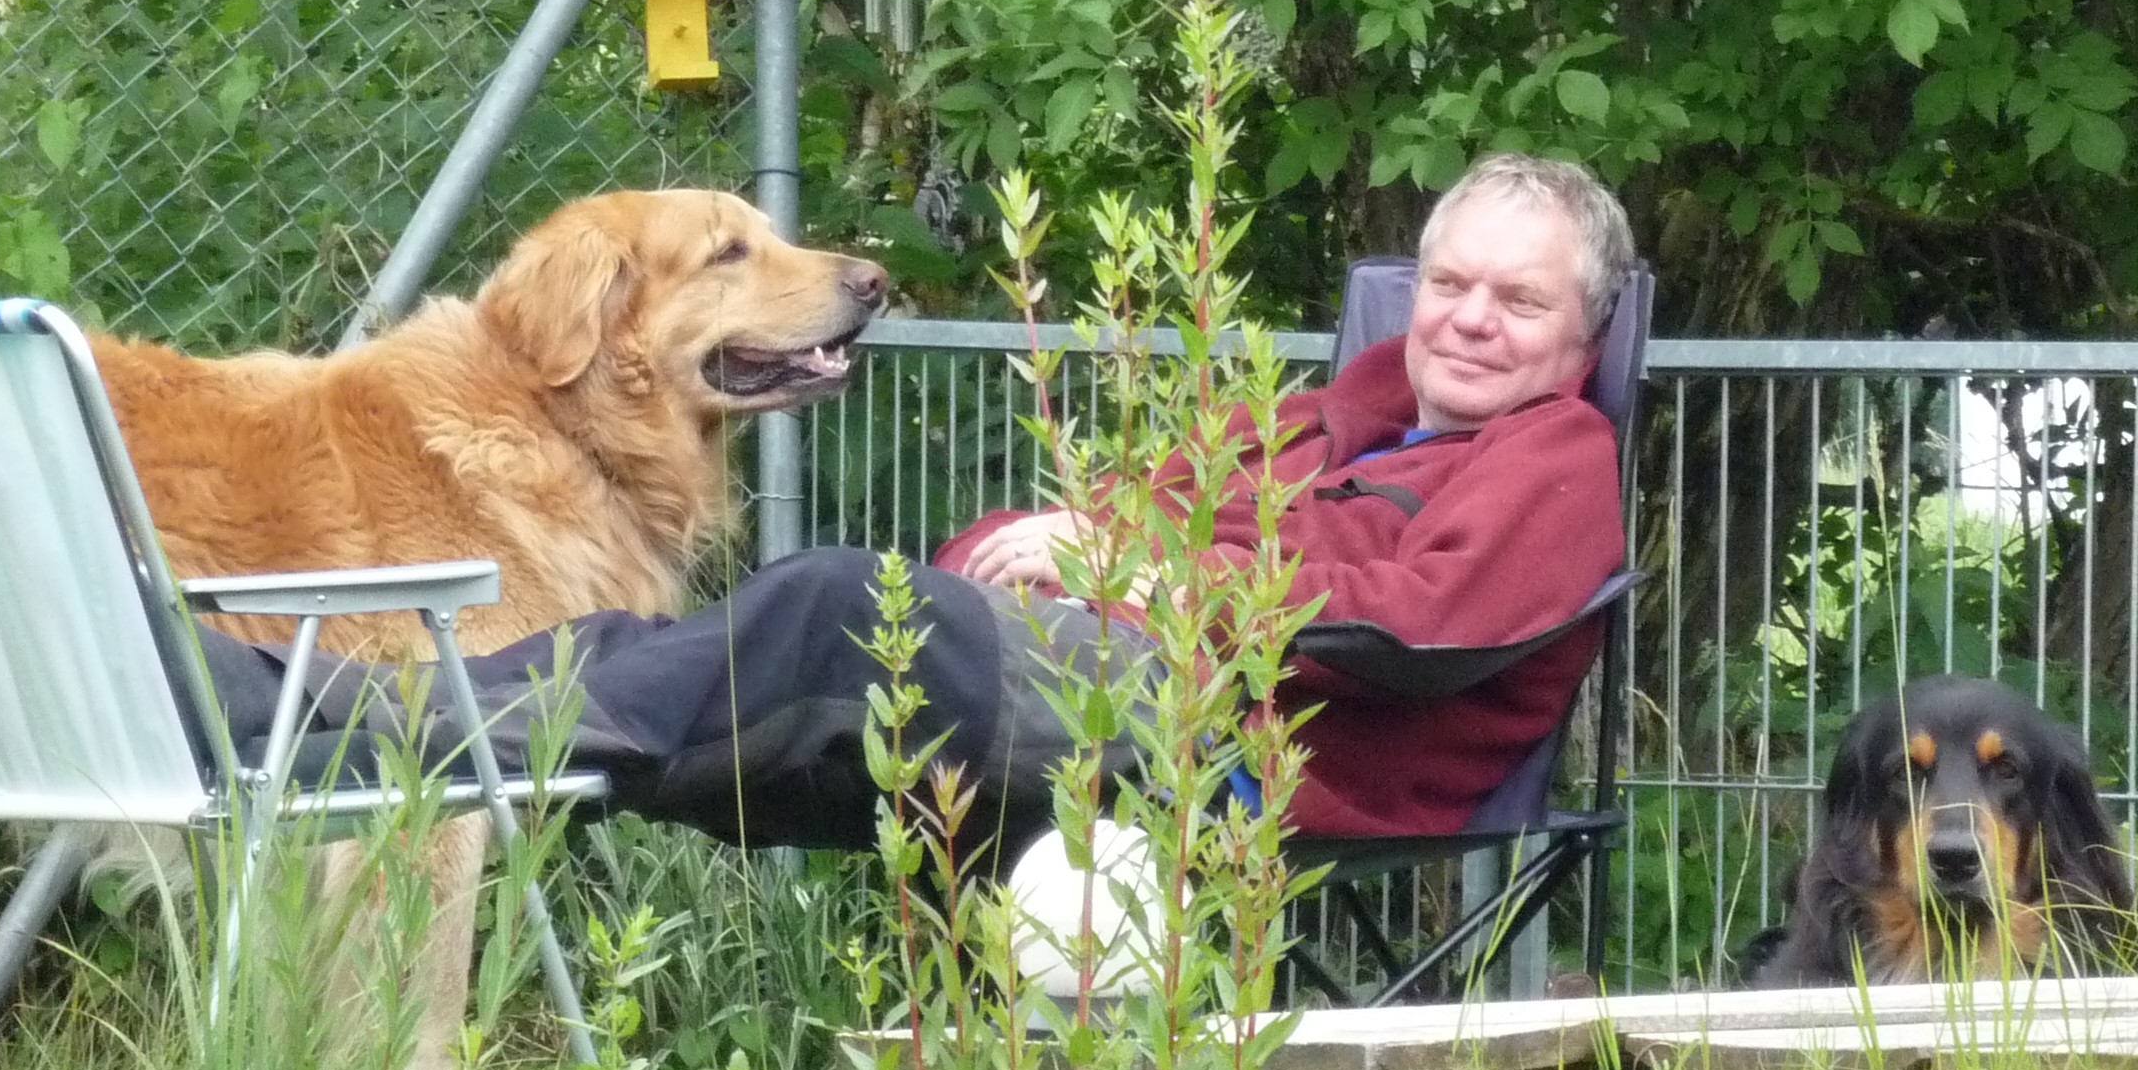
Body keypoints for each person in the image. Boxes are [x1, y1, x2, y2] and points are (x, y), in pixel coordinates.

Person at [200, 153, 1634, 864]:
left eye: (1518, 300)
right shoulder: (1317, 421)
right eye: (1450, 284)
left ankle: (334, 720)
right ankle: (311, 713)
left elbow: (1416, 634)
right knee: (775, 676)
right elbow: (1005, 551)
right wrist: (1028, 562)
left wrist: (1139, 574)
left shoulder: (1553, 462)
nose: (1470, 319)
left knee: (831, 614)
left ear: (1584, 330)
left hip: (1231, 749)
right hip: (1098, 685)